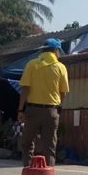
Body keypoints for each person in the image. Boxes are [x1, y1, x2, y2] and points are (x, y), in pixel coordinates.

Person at [17, 37, 70, 166]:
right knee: (49, 146)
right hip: (51, 111)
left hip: (32, 110)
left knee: (27, 142)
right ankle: (48, 172)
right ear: (56, 51)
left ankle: (28, 168)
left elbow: (25, 89)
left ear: (43, 50)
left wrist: (20, 110)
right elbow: (63, 92)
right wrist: (57, 107)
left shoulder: (32, 65)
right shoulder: (61, 67)